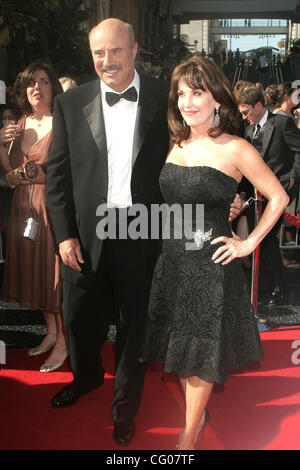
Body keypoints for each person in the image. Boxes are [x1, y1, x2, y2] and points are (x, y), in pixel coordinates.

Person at [46, 18, 243, 447]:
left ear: (134, 50)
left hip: (145, 230)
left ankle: (124, 409)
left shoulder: (163, 96)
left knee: (134, 326)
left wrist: (224, 193)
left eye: (116, 50)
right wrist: (64, 235)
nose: (107, 60)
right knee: (79, 318)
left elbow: (204, 141)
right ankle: (86, 378)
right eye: (99, 52)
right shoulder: (70, 102)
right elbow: (57, 178)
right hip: (87, 231)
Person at [140, 55, 289, 450]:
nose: (188, 102)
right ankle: (198, 415)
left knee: (200, 353)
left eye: (198, 92)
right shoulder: (174, 142)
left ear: (217, 99)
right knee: (181, 349)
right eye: (182, 93)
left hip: (210, 265)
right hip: (172, 260)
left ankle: (188, 434)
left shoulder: (236, 148)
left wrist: (247, 242)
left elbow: (278, 196)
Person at [0, 62, 67, 373]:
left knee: (53, 278)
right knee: (35, 273)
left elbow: (65, 174)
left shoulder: (64, 122)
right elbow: (11, 178)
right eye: (30, 83)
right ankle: (51, 333)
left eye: (43, 81)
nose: (36, 87)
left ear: (53, 87)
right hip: (22, 210)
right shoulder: (20, 124)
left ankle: (65, 342)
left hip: (50, 209)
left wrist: (36, 176)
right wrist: (2, 145)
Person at [234, 83, 300, 304]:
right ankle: (266, 288)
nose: (244, 117)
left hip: (277, 195)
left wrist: (291, 179)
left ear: (259, 105)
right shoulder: (248, 130)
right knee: (260, 241)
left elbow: (298, 151)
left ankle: (277, 288)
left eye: (246, 111)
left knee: (267, 241)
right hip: (256, 197)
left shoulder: (281, 123)